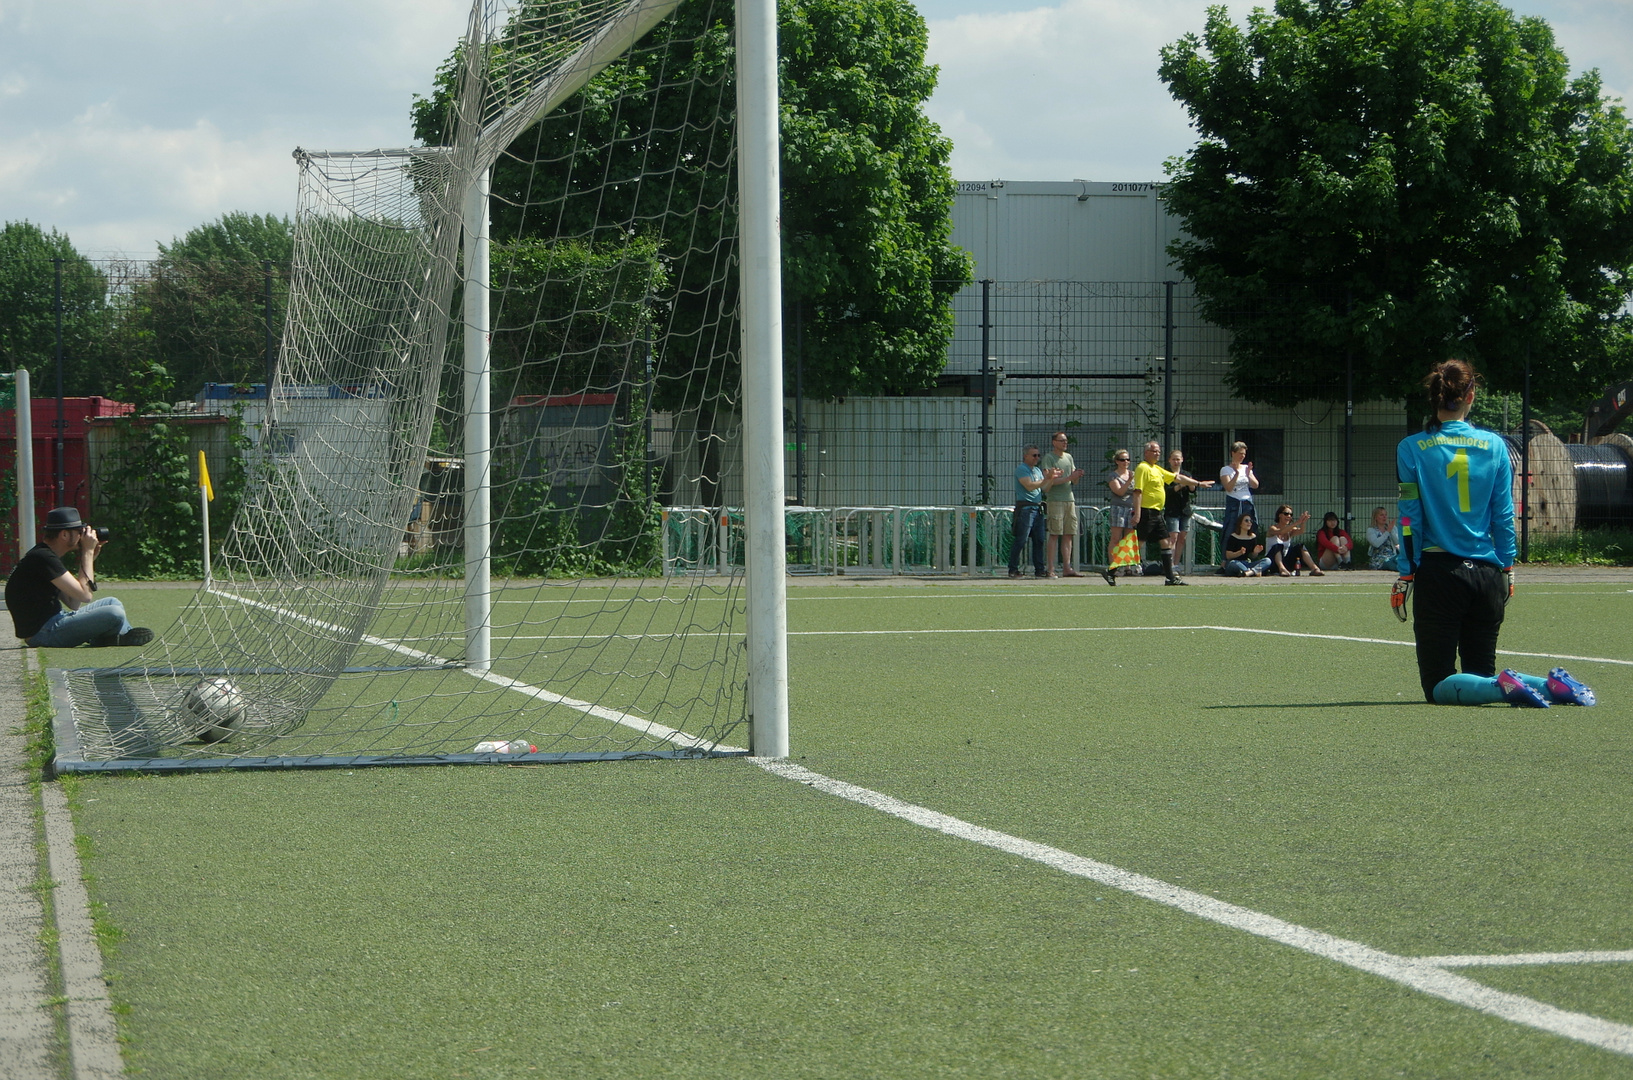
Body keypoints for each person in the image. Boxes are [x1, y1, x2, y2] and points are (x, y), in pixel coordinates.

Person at [1395, 359, 1595, 708]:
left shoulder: (1411, 448)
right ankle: (1547, 685)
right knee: (1482, 671)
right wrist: (1507, 567)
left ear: (1434, 397)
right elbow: (1504, 515)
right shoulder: (1495, 445)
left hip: (1440, 573)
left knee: (1439, 686)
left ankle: (1511, 685)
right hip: (1487, 576)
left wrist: (1406, 572)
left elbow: (1410, 520)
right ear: (1471, 395)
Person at [5, 507, 154, 649]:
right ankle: (114, 637)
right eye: (79, 531)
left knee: (112, 602)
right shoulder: (43, 558)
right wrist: (87, 553)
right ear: (64, 535)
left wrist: (88, 557)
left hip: (53, 623)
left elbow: (73, 602)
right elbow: (85, 596)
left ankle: (112, 637)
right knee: (115, 613)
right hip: (44, 633)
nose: (82, 536)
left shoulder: (44, 556)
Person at [1105, 440, 1212, 587]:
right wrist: (1137, 514)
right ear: (1146, 452)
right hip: (1147, 512)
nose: (1157, 453)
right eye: (1154, 451)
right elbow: (1137, 492)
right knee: (1137, 544)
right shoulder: (1143, 468)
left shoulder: (1157, 469)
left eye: (1159, 451)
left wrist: (1198, 483)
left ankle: (1170, 578)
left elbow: (1177, 477)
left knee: (1166, 542)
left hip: (1157, 513)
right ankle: (1111, 571)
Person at [1008, 445, 1059, 579]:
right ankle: (1013, 569)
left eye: (1038, 455)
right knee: (1021, 539)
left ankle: (1039, 569)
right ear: (1026, 456)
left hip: (1038, 508)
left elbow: (1045, 489)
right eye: (1034, 455)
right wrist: (1046, 479)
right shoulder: (1021, 469)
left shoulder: (1036, 470)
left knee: (1040, 540)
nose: (1037, 458)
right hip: (1026, 508)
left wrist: (1051, 478)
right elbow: (1029, 486)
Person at [1039, 431, 1085, 577]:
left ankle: (1067, 567)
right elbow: (1049, 481)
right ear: (1054, 442)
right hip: (1055, 500)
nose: (1065, 443)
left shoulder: (1069, 457)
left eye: (1066, 440)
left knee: (1069, 533)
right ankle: (1051, 568)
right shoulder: (1049, 458)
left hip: (1069, 499)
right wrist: (1069, 477)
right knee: (1054, 534)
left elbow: (1072, 480)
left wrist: (1076, 476)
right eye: (1062, 440)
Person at [1264, 505, 1323, 576]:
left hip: (1286, 561)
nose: (1289, 516)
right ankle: (1282, 569)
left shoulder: (1290, 530)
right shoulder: (1272, 528)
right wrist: (1297, 522)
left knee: (1300, 546)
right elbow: (1281, 532)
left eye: (1290, 514)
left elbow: (1301, 531)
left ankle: (1314, 569)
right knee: (1278, 546)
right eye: (1286, 514)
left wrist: (1303, 522)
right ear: (1279, 515)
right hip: (1273, 563)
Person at [1218, 442, 1258, 542]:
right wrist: (1236, 474)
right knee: (1231, 529)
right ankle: (1227, 555)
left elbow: (1255, 485)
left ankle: (1247, 553)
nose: (1242, 456)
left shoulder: (1246, 468)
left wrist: (1249, 474)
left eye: (1244, 454)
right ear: (1233, 453)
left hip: (1247, 503)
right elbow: (1229, 488)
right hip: (1234, 503)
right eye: (1240, 453)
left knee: (1249, 529)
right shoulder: (1225, 470)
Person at [1164, 449, 1198, 563]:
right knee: (1173, 538)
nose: (1176, 461)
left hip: (1185, 510)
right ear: (1169, 460)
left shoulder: (1186, 474)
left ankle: (1176, 564)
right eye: (1173, 459)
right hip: (1171, 510)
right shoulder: (1166, 474)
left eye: (1178, 459)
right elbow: (1166, 491)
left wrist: (1190, 483)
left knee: (1182, 539)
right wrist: (1180, 485)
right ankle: (1170, 565)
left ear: (1182, 460)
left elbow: (1193, 490)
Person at [1104, 450, 1135, 575]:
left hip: (1131, 509)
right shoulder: (1113, 476)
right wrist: (1129, 480)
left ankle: (1127, 567)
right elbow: (1120, 492)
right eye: (1122, 460)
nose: (1125, 462)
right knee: (1116, 538)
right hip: (1118, 508)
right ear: (1117, 461)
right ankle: (1114, 566)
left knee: (1128, 539)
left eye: (1127, 459)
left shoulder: (1132, 474)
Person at [1221, 512, 1271, 576]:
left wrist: (1255, 552)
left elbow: (1252, 557)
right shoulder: (1233, 536)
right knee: (1233, 563)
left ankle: (1249, 572)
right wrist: (1239, 553)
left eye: (1250, 521)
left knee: (1267, 560)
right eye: (1246, 521)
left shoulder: (1252, 537)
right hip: (1236, 563)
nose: (1249, 522)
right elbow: (1228, 556)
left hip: (1247, 563)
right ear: (1240, 524)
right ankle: (1251, 571)